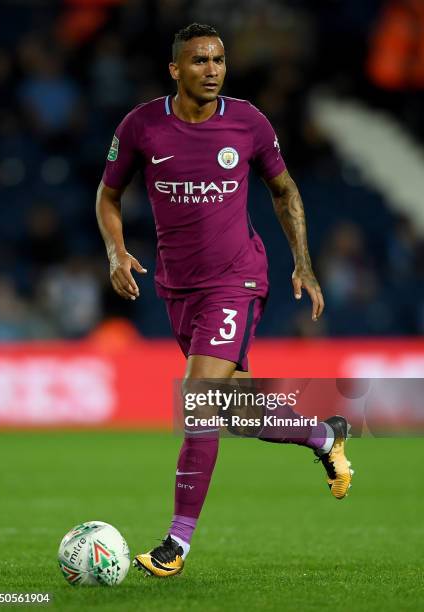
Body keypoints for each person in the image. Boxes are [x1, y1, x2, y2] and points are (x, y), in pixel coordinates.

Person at [96, 23, 353, 578]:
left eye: (218, 60)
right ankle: (323, 434)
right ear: (175, 69)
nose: (211, 69)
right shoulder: (141, 126)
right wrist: (116, 252)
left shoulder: (248, 122)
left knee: (199, 400)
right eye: (198, 61)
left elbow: (284, 191)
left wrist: (303, 262)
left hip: (236, 279)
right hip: (176, 286)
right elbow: (108, 194)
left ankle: (176, 545)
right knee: (231, 406)